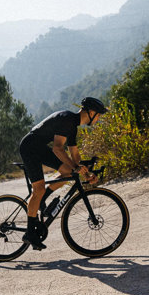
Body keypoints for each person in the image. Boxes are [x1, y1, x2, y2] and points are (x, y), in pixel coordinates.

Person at [18, 96, 108, 250]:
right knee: (38, 189)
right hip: (30, 148)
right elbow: (58, 148)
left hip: (40, 148)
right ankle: (29, 233)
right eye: (98, 115)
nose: (98, 118)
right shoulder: (68, 119)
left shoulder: (74, 126)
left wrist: (85, 174)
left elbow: (75, 155)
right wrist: (76, 167)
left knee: (68, 173)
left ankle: (42, 199)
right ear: (91, 112)